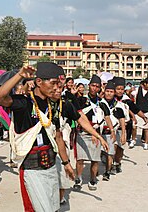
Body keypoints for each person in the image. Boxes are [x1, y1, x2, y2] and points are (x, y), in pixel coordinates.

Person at [0, 62, 75, 212]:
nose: (57, 88)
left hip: (50, 166)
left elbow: (57, 137)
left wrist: (66, 163)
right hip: (32, 170)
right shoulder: (24, 104)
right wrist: (20, 75)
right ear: (39, 82)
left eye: (59, 84)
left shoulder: (51, 106)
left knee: (52, 206)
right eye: (53, 83)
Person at [51, 76, 108, 204]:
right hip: (46, 143)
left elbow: (81, 118)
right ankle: (78, 178)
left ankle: (61, 197)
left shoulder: (67, 103)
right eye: (55, 86)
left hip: (64, 139)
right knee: (79, 160)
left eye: (61, 87)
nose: (58, 90)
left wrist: (98, 135)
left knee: (64, 170)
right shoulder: (40, 102)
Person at [74, 75, 112, 191]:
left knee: (95, 159)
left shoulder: (102, 103)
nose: (94, 88)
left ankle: (92, 179)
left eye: (97, 86)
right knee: (80, 159)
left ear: (100, 88)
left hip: (96, 133)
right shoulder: (81, 100)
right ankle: (78, 178)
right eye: (93, 85)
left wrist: (113, 131)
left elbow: (107, 117)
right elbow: (77, 115)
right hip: (83, 132)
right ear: (89, 86)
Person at [100, 80, 126, 180]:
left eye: (111, 91)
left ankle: (107, 171)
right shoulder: (100, 103)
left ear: (114, 93)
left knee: (110, 153)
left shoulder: (118, 105)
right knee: (99, 153)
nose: (109, 93)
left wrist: (123, 133)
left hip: (111, 132)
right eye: (107, 91)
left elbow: (122, 120)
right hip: (100, 131)